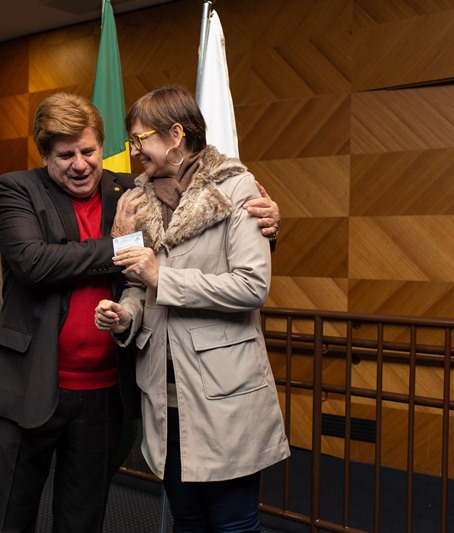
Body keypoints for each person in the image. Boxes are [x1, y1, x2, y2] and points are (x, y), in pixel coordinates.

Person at [0, 92, 282, 533]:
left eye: (88, 151)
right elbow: (33, 263)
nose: (80, 165)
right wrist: (119, 244)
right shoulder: (17, 189)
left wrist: (267, 222)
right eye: (65, 156)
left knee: (83, 519)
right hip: (29, 385)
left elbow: (196, 234)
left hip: (105, 393)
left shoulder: (132, 189)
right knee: (8, 516)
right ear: (44, 155)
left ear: (102, 147)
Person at [95, 85, 290, 533]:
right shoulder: (134, 201)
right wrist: (126, 315)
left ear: (176, 134)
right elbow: (136, 282)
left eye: (140, 139)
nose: (133, 150)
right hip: (163, 394)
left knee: (234, 523)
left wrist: (162, 278)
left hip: (224, 391)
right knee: (187, 521)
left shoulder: (237, 188)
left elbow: (252, 286)